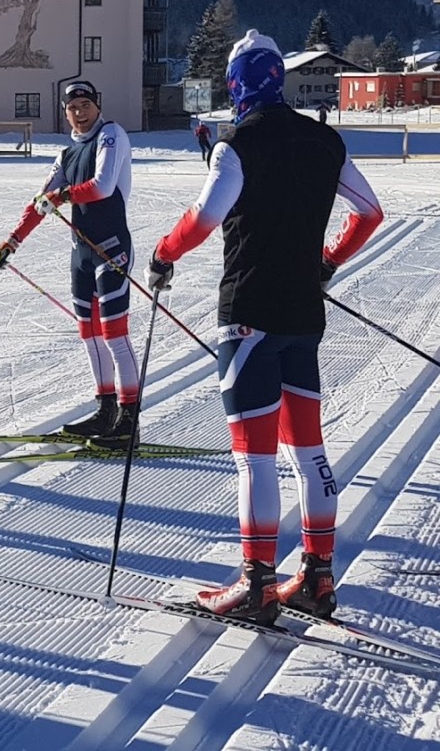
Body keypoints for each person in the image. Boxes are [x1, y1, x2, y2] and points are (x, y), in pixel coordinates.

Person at [144, 30, 384, 624]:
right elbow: (370, 213)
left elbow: (203, 219)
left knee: (253, 457)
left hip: (248, 315)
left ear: (236, 83)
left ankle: (255, 584)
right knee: (307, 450)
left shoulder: (237, 144)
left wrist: (163, 253)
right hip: (304, 315)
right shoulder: (325, 141)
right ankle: (318, 577)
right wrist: (326, 262)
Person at [0, 80, 141, 443]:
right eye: (72, 108)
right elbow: (39, 202)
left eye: (85, 105)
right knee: (89, 336)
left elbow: (102, 186)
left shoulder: (111, 135)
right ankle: (105, 412)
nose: (79, 113)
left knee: (114, 334)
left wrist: (61, 195)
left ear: (96, 106)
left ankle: (129, 419)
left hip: (111, 246)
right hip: (82, 254)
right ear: (64, 112)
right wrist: (10, 243)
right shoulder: (66, 155)